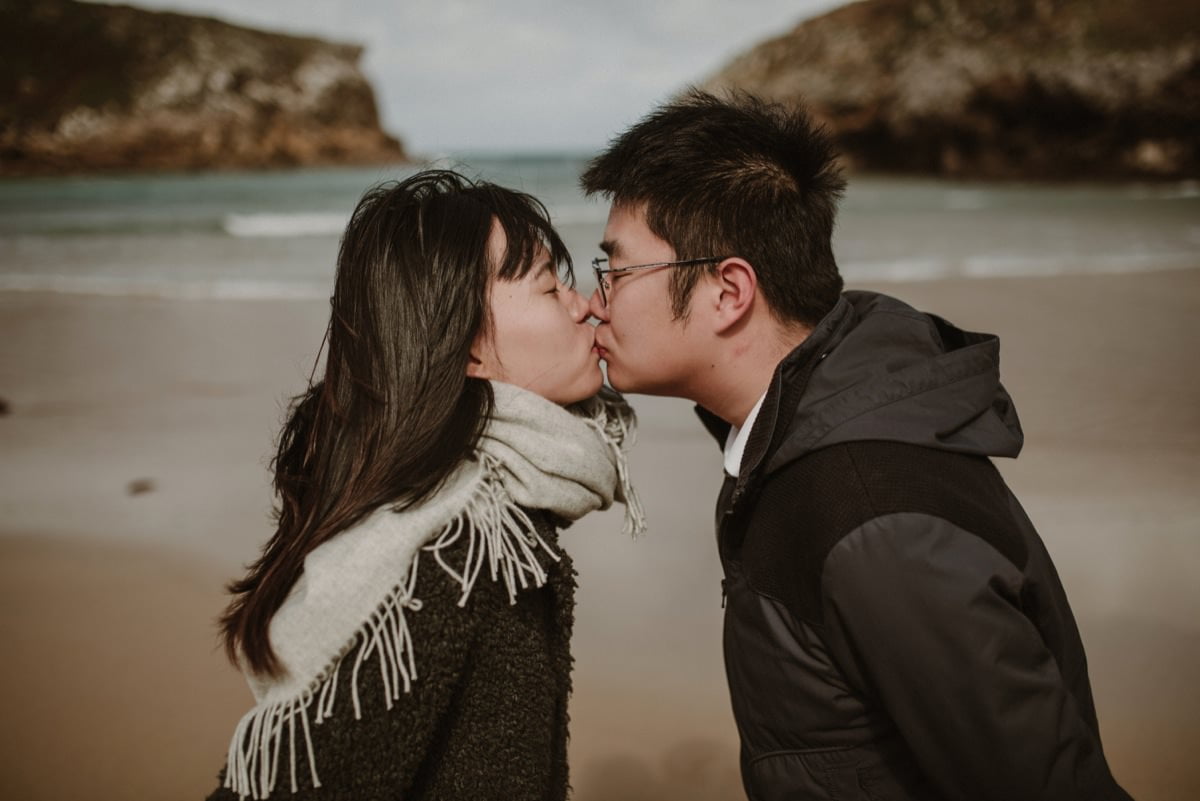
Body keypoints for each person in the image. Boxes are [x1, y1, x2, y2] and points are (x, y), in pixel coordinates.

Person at [581, 90, 1132, 801]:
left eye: (616, 271)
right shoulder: (799, 442)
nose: (595, 301)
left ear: (728, 291)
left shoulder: (870, 514)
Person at [207, 170, 644, 801]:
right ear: (466, 346)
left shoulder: (506, 503)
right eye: (552, 285)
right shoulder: (449, 549)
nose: (585, 305)